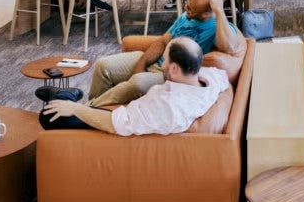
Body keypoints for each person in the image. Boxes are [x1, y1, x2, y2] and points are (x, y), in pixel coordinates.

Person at [71, 0, 241, 107]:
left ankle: (90, 109)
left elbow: (230, 46)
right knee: (102, 66)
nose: (185, 9)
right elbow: (162, 41)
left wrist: (219, 11)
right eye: (187, 4)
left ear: (206, 13)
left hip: (171, 74)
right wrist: (142, 63)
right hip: (156, 61)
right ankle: (98, 106)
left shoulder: (220, 27)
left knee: (136, 83)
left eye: (191, 9)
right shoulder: (184, 17)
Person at [38, 37, 229, 134]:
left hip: (117, 126)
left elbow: (115, 125)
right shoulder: (210, 77)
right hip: (131, 112)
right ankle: (65, 95)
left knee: (48, 116)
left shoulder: (167, 106)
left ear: (175, 69)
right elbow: (223, 76)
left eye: (165, 59)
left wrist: (75, 109)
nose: (161, 63)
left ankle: (67, 96)